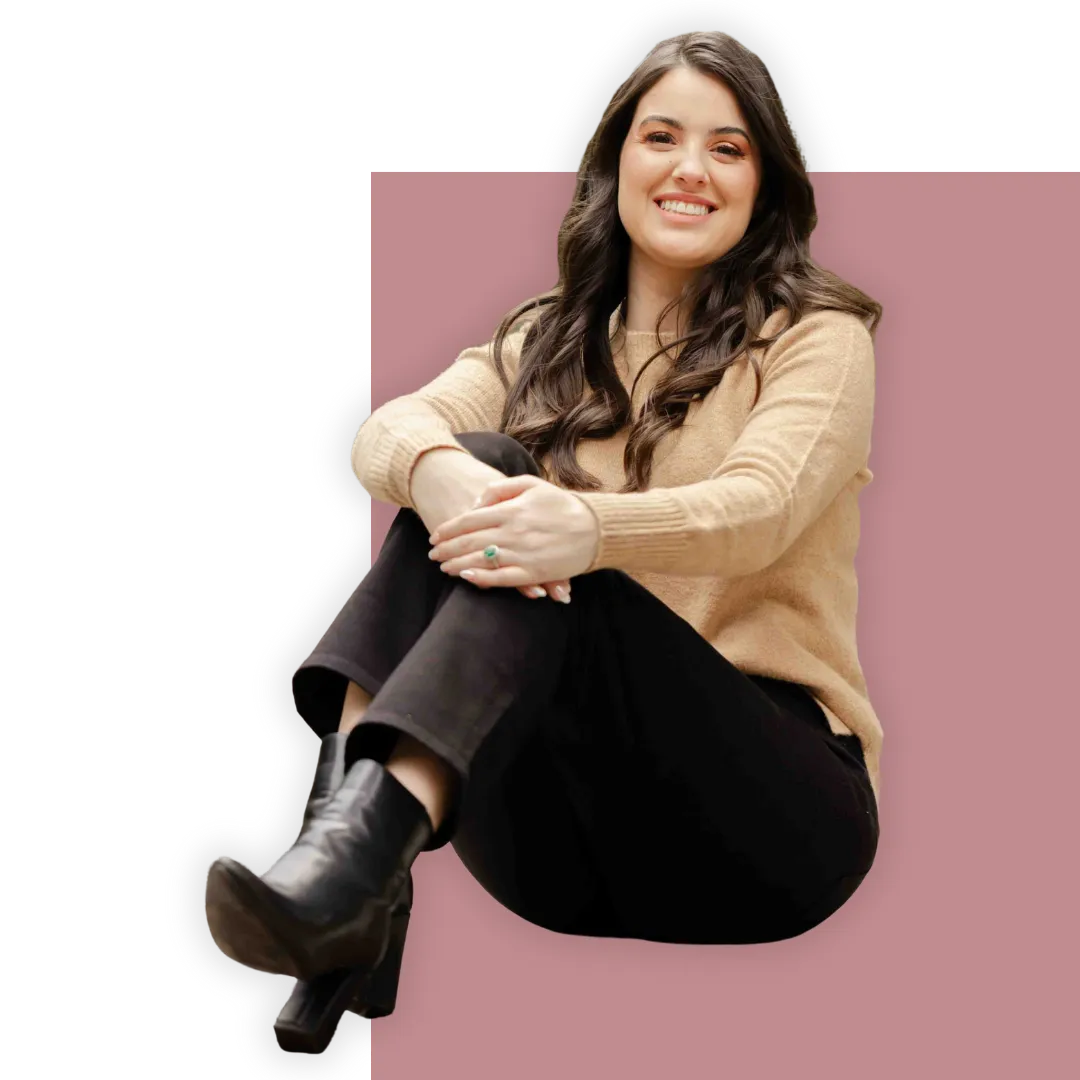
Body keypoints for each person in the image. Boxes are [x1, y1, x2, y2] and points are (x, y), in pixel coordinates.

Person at [205, 29, 885, 1055]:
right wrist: (440, 476)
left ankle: (348, 878)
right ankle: (354, 863)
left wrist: (587, 529)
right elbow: (387, 432)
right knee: (470, 463)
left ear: (766, 184)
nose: (691, 169)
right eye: (661, 137)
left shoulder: (814, 336)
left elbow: (762, 508)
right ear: (616, 162)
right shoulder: (544, 336)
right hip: (558, 857)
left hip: (767, 828)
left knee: (535, 533)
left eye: (729, 148)